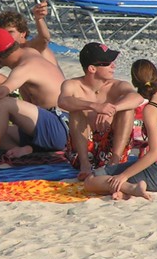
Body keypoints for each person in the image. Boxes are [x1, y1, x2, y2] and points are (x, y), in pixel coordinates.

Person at [82, 59, 157, 200]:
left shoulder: (151, 109)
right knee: (112, 176)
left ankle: (130, 188)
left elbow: (155, 153)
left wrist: (123, 176)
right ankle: (125, 191)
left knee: (91, 181)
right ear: (156, 75)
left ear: (134, 81)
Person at [0, 28, 67, 162]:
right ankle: (31, 150)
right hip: (45, 125)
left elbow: (0, 92)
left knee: (4, 104)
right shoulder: (29, 52)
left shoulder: (24, 67)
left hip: (61, 125)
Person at [57, 43, 144, 179]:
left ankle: (114, 163)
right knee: (76, 109)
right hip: (83, 151)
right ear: (92, 68)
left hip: (110, 149)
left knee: (127, 110)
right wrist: (94, 106)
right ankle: (85, 164)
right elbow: (63, 101)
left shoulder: (117, 85)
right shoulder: (73, 85)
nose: (113, 66)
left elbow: (137, 98)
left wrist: (112, 109)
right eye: (107, 63)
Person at [0, 1, 57, 96]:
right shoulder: (8, 52)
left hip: (49, 99)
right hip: (29, 96)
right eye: (3, 33)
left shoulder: (32, 48)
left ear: (23, 33)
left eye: (10, 32)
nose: (5, 36)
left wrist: (39, 19)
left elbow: (44, 38)